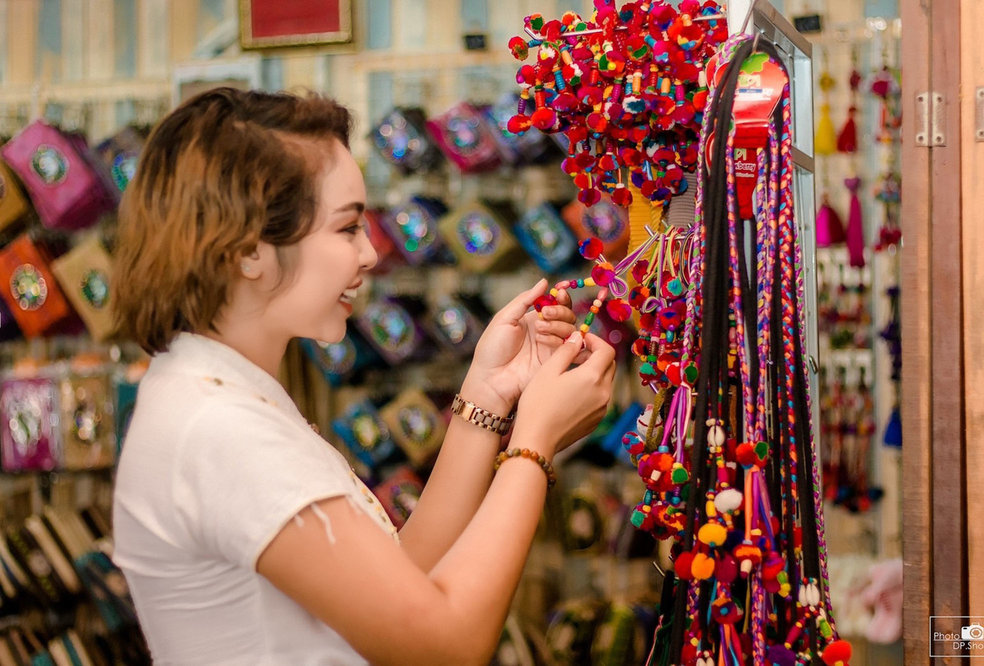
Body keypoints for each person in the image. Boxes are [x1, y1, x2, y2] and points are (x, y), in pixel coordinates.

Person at [110, 87, 616, 665]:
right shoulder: (220, 429)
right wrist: (534, 445)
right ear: (250, 250)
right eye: (347, 228)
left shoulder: (219, 396)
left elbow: (402, 579)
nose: (372, 253)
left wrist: (488, 394)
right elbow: (443, 646)